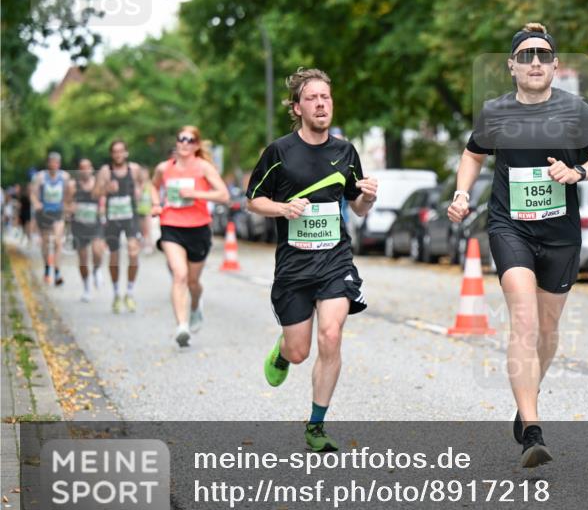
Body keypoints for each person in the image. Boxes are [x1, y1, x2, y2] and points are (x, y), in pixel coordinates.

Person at [448, 22, 588, 468]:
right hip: (510, 228)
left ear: (555, 65)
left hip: (561, 234)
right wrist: (462, 193)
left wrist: (577, 172)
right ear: (512, 66)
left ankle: (527, 397)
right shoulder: (496, 113)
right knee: (523, 320)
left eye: (543, 54)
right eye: (526, 55)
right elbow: (472, 153)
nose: (535, 62)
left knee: (547, 328)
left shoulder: (575, 111)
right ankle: (533, 431)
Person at [246, 68, 378, 453]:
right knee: (300, 351)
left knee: (331, 335)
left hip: (335, 261)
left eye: (326, 97)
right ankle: (284, 350)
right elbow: (253, 201)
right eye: (312, 99)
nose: (321, 104)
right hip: (294, 267)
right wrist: (283, 208)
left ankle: (316, 425)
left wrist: (368, 196)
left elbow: (357, 207)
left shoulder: (345, 152)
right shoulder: (279, 152)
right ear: (297, 108)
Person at [151, 126, 229, 347]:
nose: (184, 143)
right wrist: (156, 204)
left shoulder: (203, 167)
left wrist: (195, 194)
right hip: (171, 225)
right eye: (181, 139)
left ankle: (195, 305)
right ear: (177, 143)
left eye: (190, 140)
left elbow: (223, 195)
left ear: (196, 145)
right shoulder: (164, 168)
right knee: (180, 275)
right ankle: (182, 326)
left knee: (193, 282)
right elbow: (153, 186)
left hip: (198, 228)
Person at [95, 139, 146, 313]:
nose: (118, 154)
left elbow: (144, 184)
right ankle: (117, 293)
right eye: (115, 151)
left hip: (130, 217)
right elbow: (95, 193)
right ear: (111, 154)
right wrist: (106, 188)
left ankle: (129, 293)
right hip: (113, 219)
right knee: (114, 257)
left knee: (133, 253)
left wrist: (139, 191)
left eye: (121, 151)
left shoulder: (135, 169)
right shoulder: (105, 171)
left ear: (126, 153)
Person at [30, 152, 72, 285]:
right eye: (51, 162)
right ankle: (47, 268)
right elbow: (33, 194)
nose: (54, 165)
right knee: (46, 243)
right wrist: (36, 203)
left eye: (56, 163)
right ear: (47, 163)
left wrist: (67, 205)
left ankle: (57, 271)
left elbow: (69, 193)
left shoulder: (65, 176)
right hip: (44, 213)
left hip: (58, 212)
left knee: (58, 242)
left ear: (59, 164)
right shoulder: (40, 177)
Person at [67, 158, 106, 301]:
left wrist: (102, 208)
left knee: (97, 251)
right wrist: (70, 208)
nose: (85, 170)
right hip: (79, 226)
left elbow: (104, 201)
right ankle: (86, 287)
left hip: (95, 224)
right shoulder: (73, 185)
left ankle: (97, 269)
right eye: (82, 168)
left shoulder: (97, 184)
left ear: (91, 169)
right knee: (83, 259)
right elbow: (66, 204)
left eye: (87, 167)